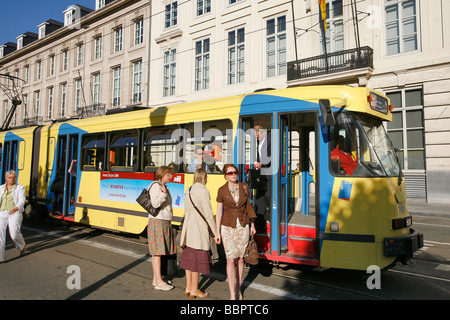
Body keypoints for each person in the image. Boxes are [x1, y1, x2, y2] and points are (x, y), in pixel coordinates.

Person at [215, 164, 256, 300]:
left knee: (240, 259)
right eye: (230, 173)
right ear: (226, 175)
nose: (234, 175)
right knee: (230, 260)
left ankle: (239, 289)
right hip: (227, 226)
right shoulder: (222, 190)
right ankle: (232, 293)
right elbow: (219, 211)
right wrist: (217, 232)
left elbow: (249, 206)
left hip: (243, 225)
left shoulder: (244, 186)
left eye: (235, 172)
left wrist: (252, 225)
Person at [179, 168, 216, 299]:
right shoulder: (203, 191)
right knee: (196, 260)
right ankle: (195, 289)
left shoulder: (188, 190)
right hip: (198, 228)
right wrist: (215, 232)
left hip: (188, 228)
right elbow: (208, 213)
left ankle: (188, 287)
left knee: (188, 258)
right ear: (204, 177)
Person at [147, 165, 177, 290]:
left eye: (171, 174)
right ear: (162, 175)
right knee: (157, 252)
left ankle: (156, 279)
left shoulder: (164, 187)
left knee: (160, 252)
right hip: (157, 221)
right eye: (169, 174)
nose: (171, 176)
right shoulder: (155, 186)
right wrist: (164, 194)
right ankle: (159, 281)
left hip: (163, 221)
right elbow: (155, 203)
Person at [0, 170, 27, 263]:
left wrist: (16, 208)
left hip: (14, 212)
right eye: (10, 177)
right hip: (2, 212)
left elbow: (22, 200)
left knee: (14, 234)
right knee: (0, 236)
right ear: (6, 178)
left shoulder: (20, 188)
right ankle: (0, 258)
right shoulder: (1, 188)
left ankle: (22, 245)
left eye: (14, 177)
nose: (12, 179)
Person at [253, 124, 271, 231]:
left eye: (258, 135)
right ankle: (260, 225)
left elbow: (272, 156)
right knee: (259, 200)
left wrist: (261, 163)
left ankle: (274, 224)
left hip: (269, 175)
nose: (257, 137)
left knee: (270, 198)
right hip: (262, 175)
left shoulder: (270, 140)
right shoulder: (260, 141)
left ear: (263, 132)